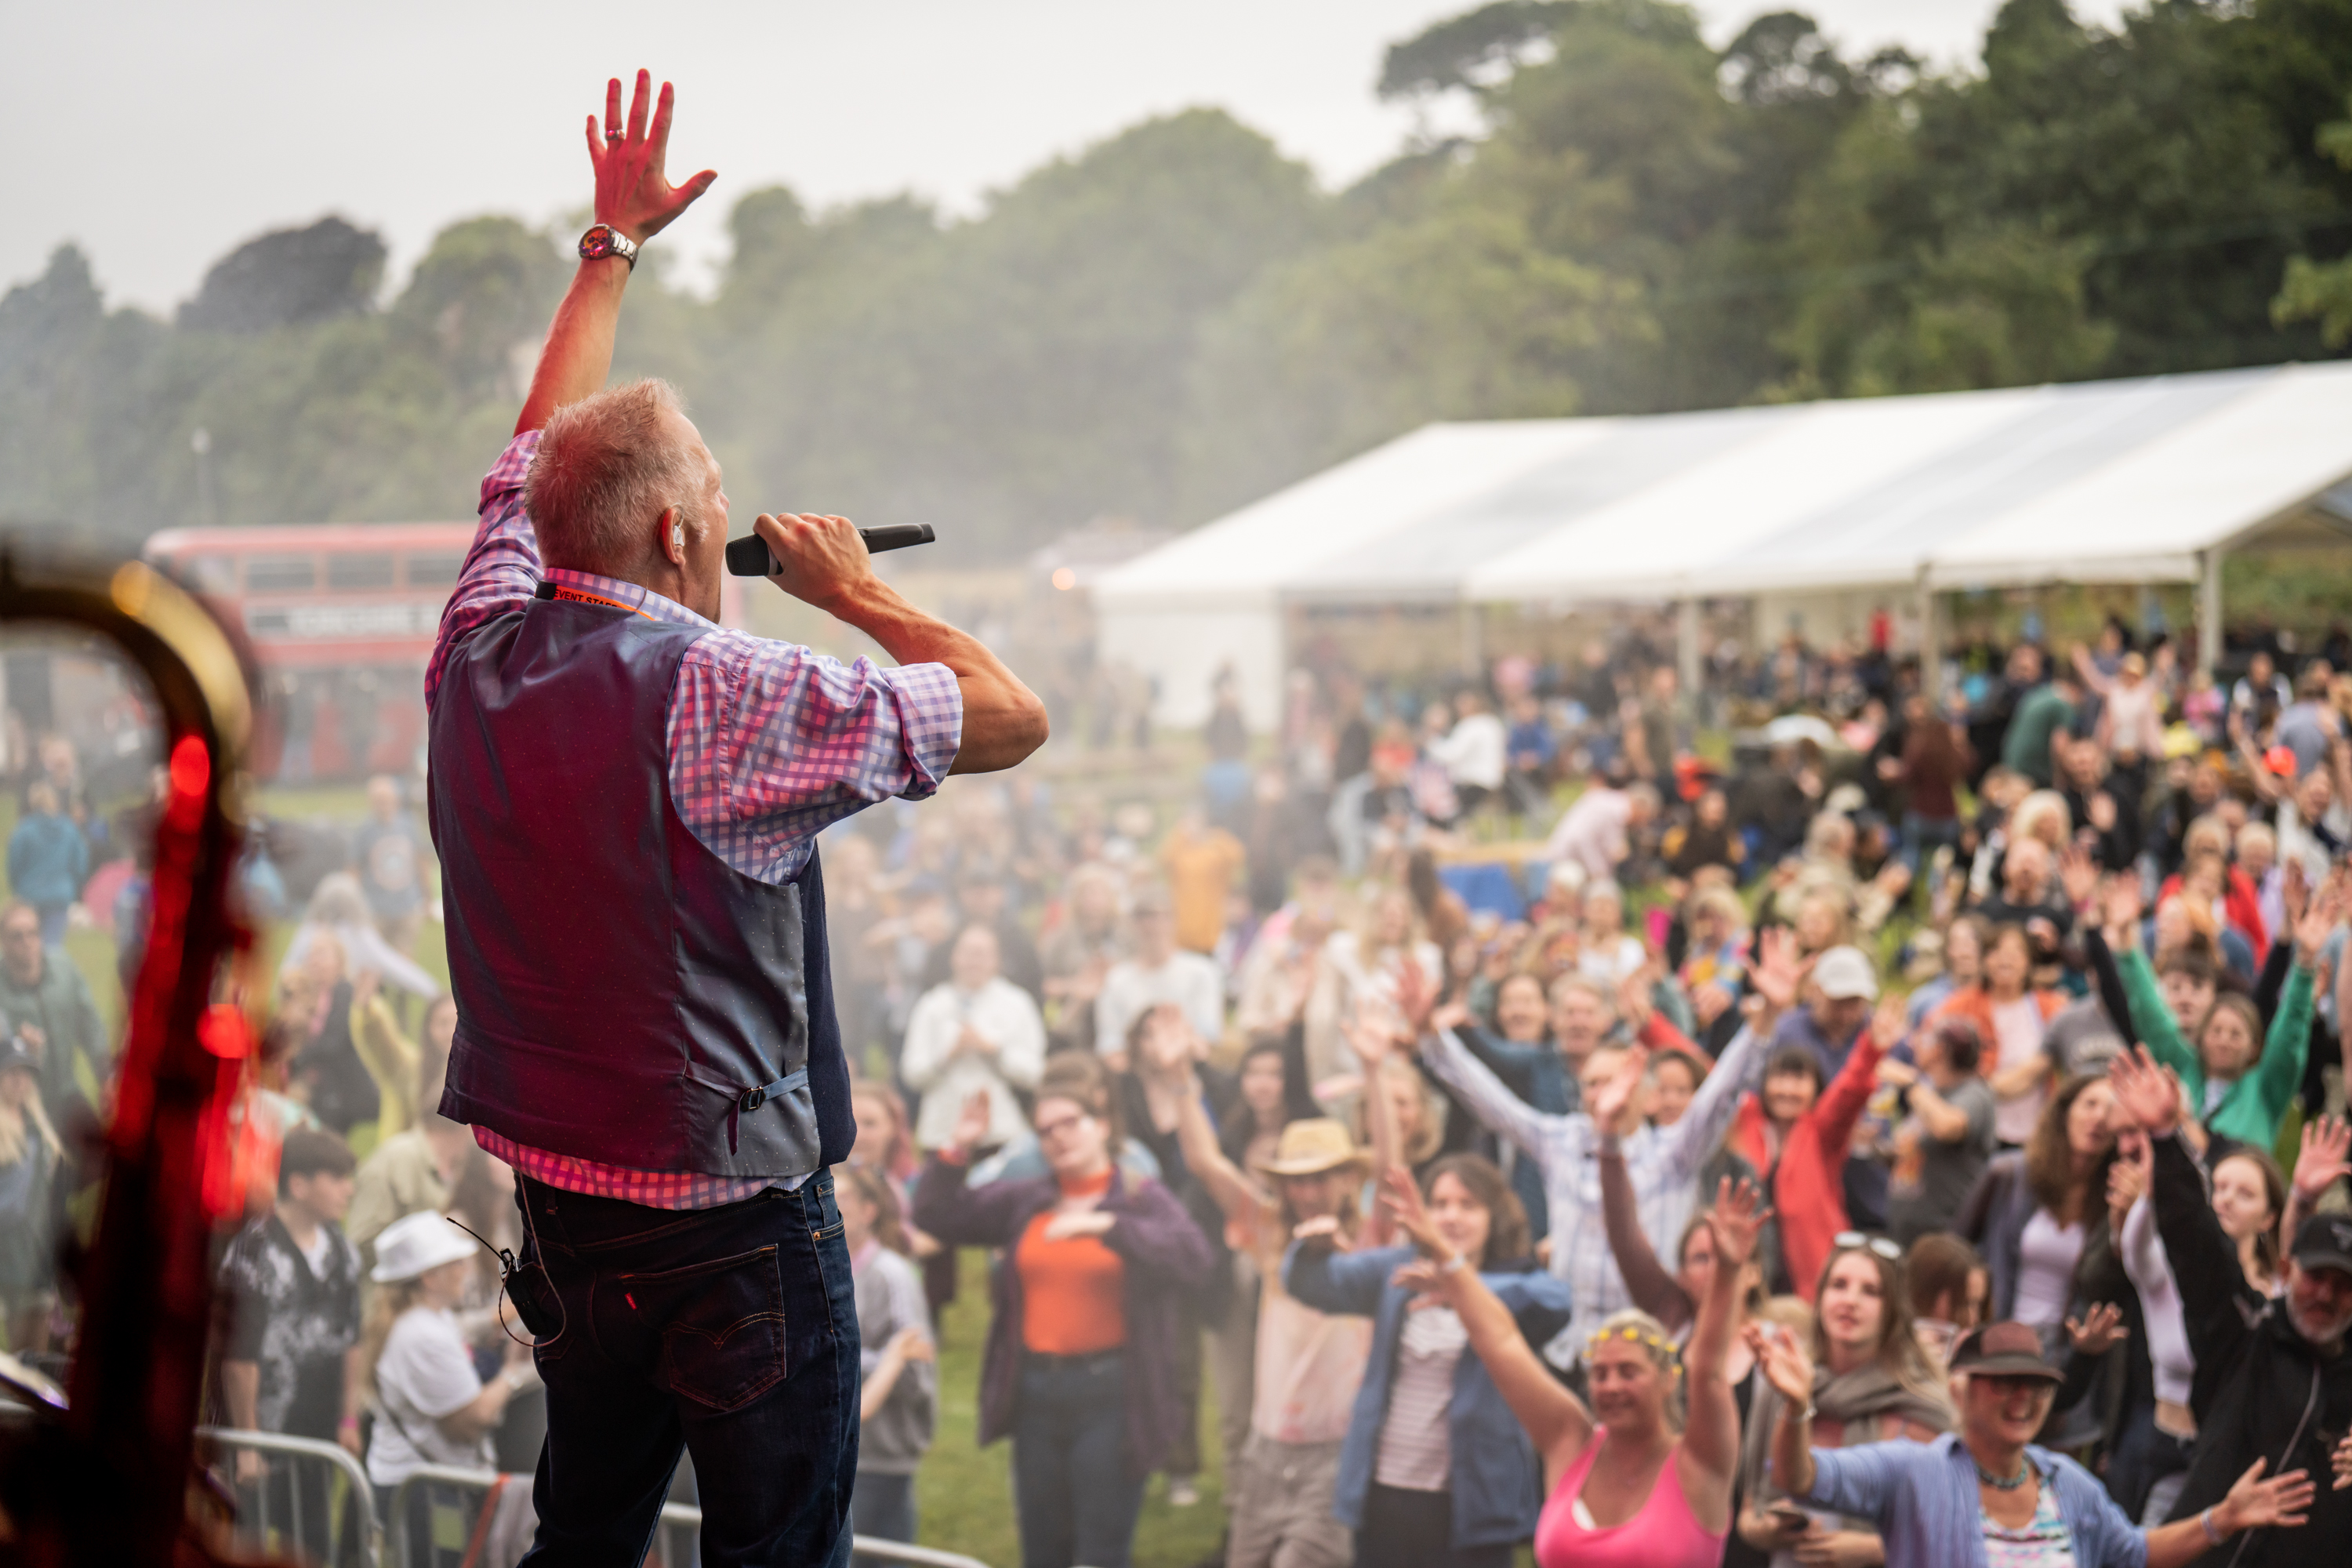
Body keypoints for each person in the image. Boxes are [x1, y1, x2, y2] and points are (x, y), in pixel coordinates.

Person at [426, 72, 1046, 1568]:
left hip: (564, 1204)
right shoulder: (731, 685)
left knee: (586, 1530)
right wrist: (854, 593)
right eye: (710, 502)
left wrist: (611, 247)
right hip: (734, 1232)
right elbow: (1010, 716)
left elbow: (533, 448)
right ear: (685, 534)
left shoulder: (476, 636)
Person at [1420, 931, 1788, 1362]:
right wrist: (1430, 1035)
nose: (1600, 1095)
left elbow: (1722, 1093)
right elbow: (1488, 1100)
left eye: (1614, 1081)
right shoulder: (1560, 1139)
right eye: (1591, 1084)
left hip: (1651, 1352)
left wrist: (1767, 1017)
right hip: (1568, 1349)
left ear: (1649, 1097)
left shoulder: (1676, 1151)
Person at [1403, 1166, 1762, 1568]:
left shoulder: (1699, 1463)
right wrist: (1446, 1256)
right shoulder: (1570, 1442)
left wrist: (1729, 1273)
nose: (1611, 1386)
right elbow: (1502, 1345)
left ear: (1667, 1379)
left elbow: (1709, 1373)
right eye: (1599, 1374)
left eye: (1629, 1372)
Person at [914, 1085, 1214, 1568]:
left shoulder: (1138, 1196)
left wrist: (1108, 1228)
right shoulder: (1029, 1199)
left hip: (1112, 1394)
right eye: (1045, 1130)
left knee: (1100, 1550)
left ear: (1102, 1125)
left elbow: (1194, 1259)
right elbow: (936, 1215)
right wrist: (958, 1148)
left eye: (1070, 1122)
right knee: (1043, 1549)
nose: (1057, 1136)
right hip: (1036, 1393)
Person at [1759, 1317, 2315, 1568]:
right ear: (1963, 1389)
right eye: (2004, 1382)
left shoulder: (2066, 1484)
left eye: (2036, 1385)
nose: (2022, 1398)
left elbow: (2136, 1553)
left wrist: (2223, 1518)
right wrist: (1795, 1406)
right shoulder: (1913, 1472)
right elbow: (1799, 1477)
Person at [2108, 1044, 2352, 1566]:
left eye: (2344, 1283)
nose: (2326, 1295)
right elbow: (2198, 1246)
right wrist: (2166, 1139)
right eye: (2316, 1278)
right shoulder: (2243, 1339)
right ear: (2288, 1271)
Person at [1284, 1154, 1572, 1568]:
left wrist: (1458, 1285)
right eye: (1439, 1204)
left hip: (1471, 1506)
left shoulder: (1519, 1282)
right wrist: (1310, 1249)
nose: (1451, 1216)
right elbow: (1318, 1284)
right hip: (1385, 1495)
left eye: (1467, 1205)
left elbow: (1556, 1305)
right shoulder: (1398, 1271)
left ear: (1495, 1215)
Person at [1167, 1059, 1377, 1568]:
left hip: (1336, 1449)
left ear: (1348, 1178)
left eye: (1320, 1178)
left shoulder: (1371, 1241)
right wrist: (1179, 1078)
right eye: (1295, 1181)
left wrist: (1375, 1070)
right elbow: (1205, 1161)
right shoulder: (1268, 1235)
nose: (1306, 1193)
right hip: (1267, 1446)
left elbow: (1392, 1164)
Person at [1738, 1236, 1955, 1566]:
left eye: (1870, 1291)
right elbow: (1748, 1516)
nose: (1850, 1301)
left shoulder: (1922, 1406)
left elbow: (1952, 1533)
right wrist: (1769, 1530)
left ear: (1893, 1309)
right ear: (1821, 1295)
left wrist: (1871, 1550)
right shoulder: (1783, 1386)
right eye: (1839, 1285)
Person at [216, 1127, 366, 1559]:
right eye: (336, 1178)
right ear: (298, 1185)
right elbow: (239, 1358)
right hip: (263, 1441)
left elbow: (351, 1341)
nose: (348, 1190)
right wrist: (247, 1444)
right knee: (248, 1546)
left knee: (312, 1548)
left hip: (317, 1441)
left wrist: (349, 1419)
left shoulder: (342, 1250)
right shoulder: (253, 1252)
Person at [2109, 876, 2332, 1152]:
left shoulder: (2265, 1088)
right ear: (2201, 1040)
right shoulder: (2182, 1070)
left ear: (2253, 1047)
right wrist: (2126, 943)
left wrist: (2306, 962)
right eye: (2216, 1031)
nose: (2224, 1040)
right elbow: (2151, 1014)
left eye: (2236, 1034)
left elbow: (2290, 1037)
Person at [361, 1210, 540, 1501]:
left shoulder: (421, 1319)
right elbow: (471, 1421)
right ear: (430, 1277)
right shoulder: (423, 1334)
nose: (465, 1271)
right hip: (423, 1493)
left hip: (419, 1485)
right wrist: (513, 1372)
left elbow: (464, 1329)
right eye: (455, 1264)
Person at [1728, 993, 1896, 1300]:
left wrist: (1870, 1050)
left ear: (1816, 1089)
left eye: (1799, 1080)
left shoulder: (1820, 1132)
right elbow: (1713, 1081)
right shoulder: (1746, 1120)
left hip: (1809, 1275)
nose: (1788, 1090)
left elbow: (1847, 1093)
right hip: (1752, 1269)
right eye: (1780, 1079)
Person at [1956, 1074, 2119, 1338]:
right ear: (2065, 1111)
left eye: (2112, 1110)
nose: (2099, 1117)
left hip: (2062, 1358)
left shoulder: (2114, 1201)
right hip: (1996, 1343)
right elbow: (1956, 1248)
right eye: (2090, 1104)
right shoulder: (2010, 1174)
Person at [839, 1163, 935, 1546]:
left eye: (842, 1198)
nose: (832, 1205)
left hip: (881, 1455)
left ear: (869, 1211)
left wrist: (849, 1364)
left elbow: (915, 1365)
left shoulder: (890, 1274)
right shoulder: (826, 1269)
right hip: (839, 1451)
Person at [901, 924, 1047, 1152]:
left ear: (997, 959)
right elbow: (912, 1073)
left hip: (1001, 1131)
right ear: (954, 957)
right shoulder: (932, 1005)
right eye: (968, 952)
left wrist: (993, 1051)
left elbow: (1035, 1073)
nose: (974, 961)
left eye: (982, 954)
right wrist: (948, 1055)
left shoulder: (1018, 1003)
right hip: (942, 1132)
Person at [1929, 923, 2063, 1149]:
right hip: (1976, 1132)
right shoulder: (1961, 1005)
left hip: (2037, 1132)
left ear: (2029, 961)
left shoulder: (2051, 1007)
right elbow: (1928, 1045)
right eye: (1996, 952)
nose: (2005, 960)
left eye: (2015, 953)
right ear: (1984, 960)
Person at [0, 899, 109, 1159]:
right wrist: (17, 1050)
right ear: (3, 943)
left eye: (33, 933)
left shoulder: (63, 971)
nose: (27, 941)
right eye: (17, 936)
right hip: (20, 1102)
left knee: (100, 1157)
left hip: (66, 1090)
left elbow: (90, 1025)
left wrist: (106, 1075)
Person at [1881, 1016, 1998, 1243]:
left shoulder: (1975, 1094)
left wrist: (1910, 1083)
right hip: (1905, 1231)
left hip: (1943, 1236)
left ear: (1939, 1050)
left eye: (1923, 1039)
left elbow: (1948, 1126)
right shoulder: (1930, 1092)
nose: (1913, 1044)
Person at [1095, 884, 1224, 1065]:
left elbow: (1208, 1037)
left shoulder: (1201, 971)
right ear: (1133, 922)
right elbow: (1110, 1044)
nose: (1152, 924)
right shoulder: (1116, 979)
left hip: (1189, 1068)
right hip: (1134, 1075)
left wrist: (1172, 1051)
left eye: (1161, 915)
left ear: (1174, 919)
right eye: (1144, 916)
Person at [0, 1044, 61, 1355]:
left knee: (35, 1356)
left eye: (26, 1073)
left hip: (38, 1257)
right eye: (12, 1072)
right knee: (11, 1358)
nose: (19, 1080)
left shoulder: (39, 1130)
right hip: (8, 1260)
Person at [352, 774, 430, 956]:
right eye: (378, 800)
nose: (383, 804)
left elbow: (422, 862)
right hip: (375, 908)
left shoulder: (409, 825)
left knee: (405, 957)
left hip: (407, 904)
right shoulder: (364, 831)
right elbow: (354, 870)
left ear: (396, 799)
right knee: (375, 958)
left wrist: (426, 897)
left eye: (387, 799)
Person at [6, 782, 85, 948]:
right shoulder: (69, 829)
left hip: (30, 894)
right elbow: (80, 864)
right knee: (52, 946)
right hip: (59, 893)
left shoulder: (24, 830)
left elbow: (14, 865)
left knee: (29, 944)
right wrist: (70, 883)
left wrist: (19, 887)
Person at [1544, 780, 1661, 884]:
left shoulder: (1613, 804)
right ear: (1640, 805)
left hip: (1568, 862)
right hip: (1566, 866)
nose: (1643, 823)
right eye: (1646, 817)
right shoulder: (1617, 810)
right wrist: (1599, 874)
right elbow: (1582, 838)